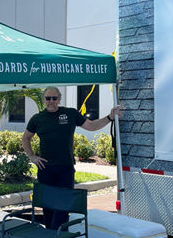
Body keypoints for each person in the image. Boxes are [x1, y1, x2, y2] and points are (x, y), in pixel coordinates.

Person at [22, 86, 120, 230]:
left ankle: (60, 234)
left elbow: (92, 126)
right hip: (45, 168)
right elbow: (25, 138)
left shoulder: (70, 114)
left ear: (59, 99)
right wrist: (32, 156)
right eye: (48, 98)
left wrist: (109, 117)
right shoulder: (37, 119)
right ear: (44, 99)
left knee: (63, 205)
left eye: (54, 98)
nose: (51, 101)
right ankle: (50, 233)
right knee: (47, 206)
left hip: (65, 168)